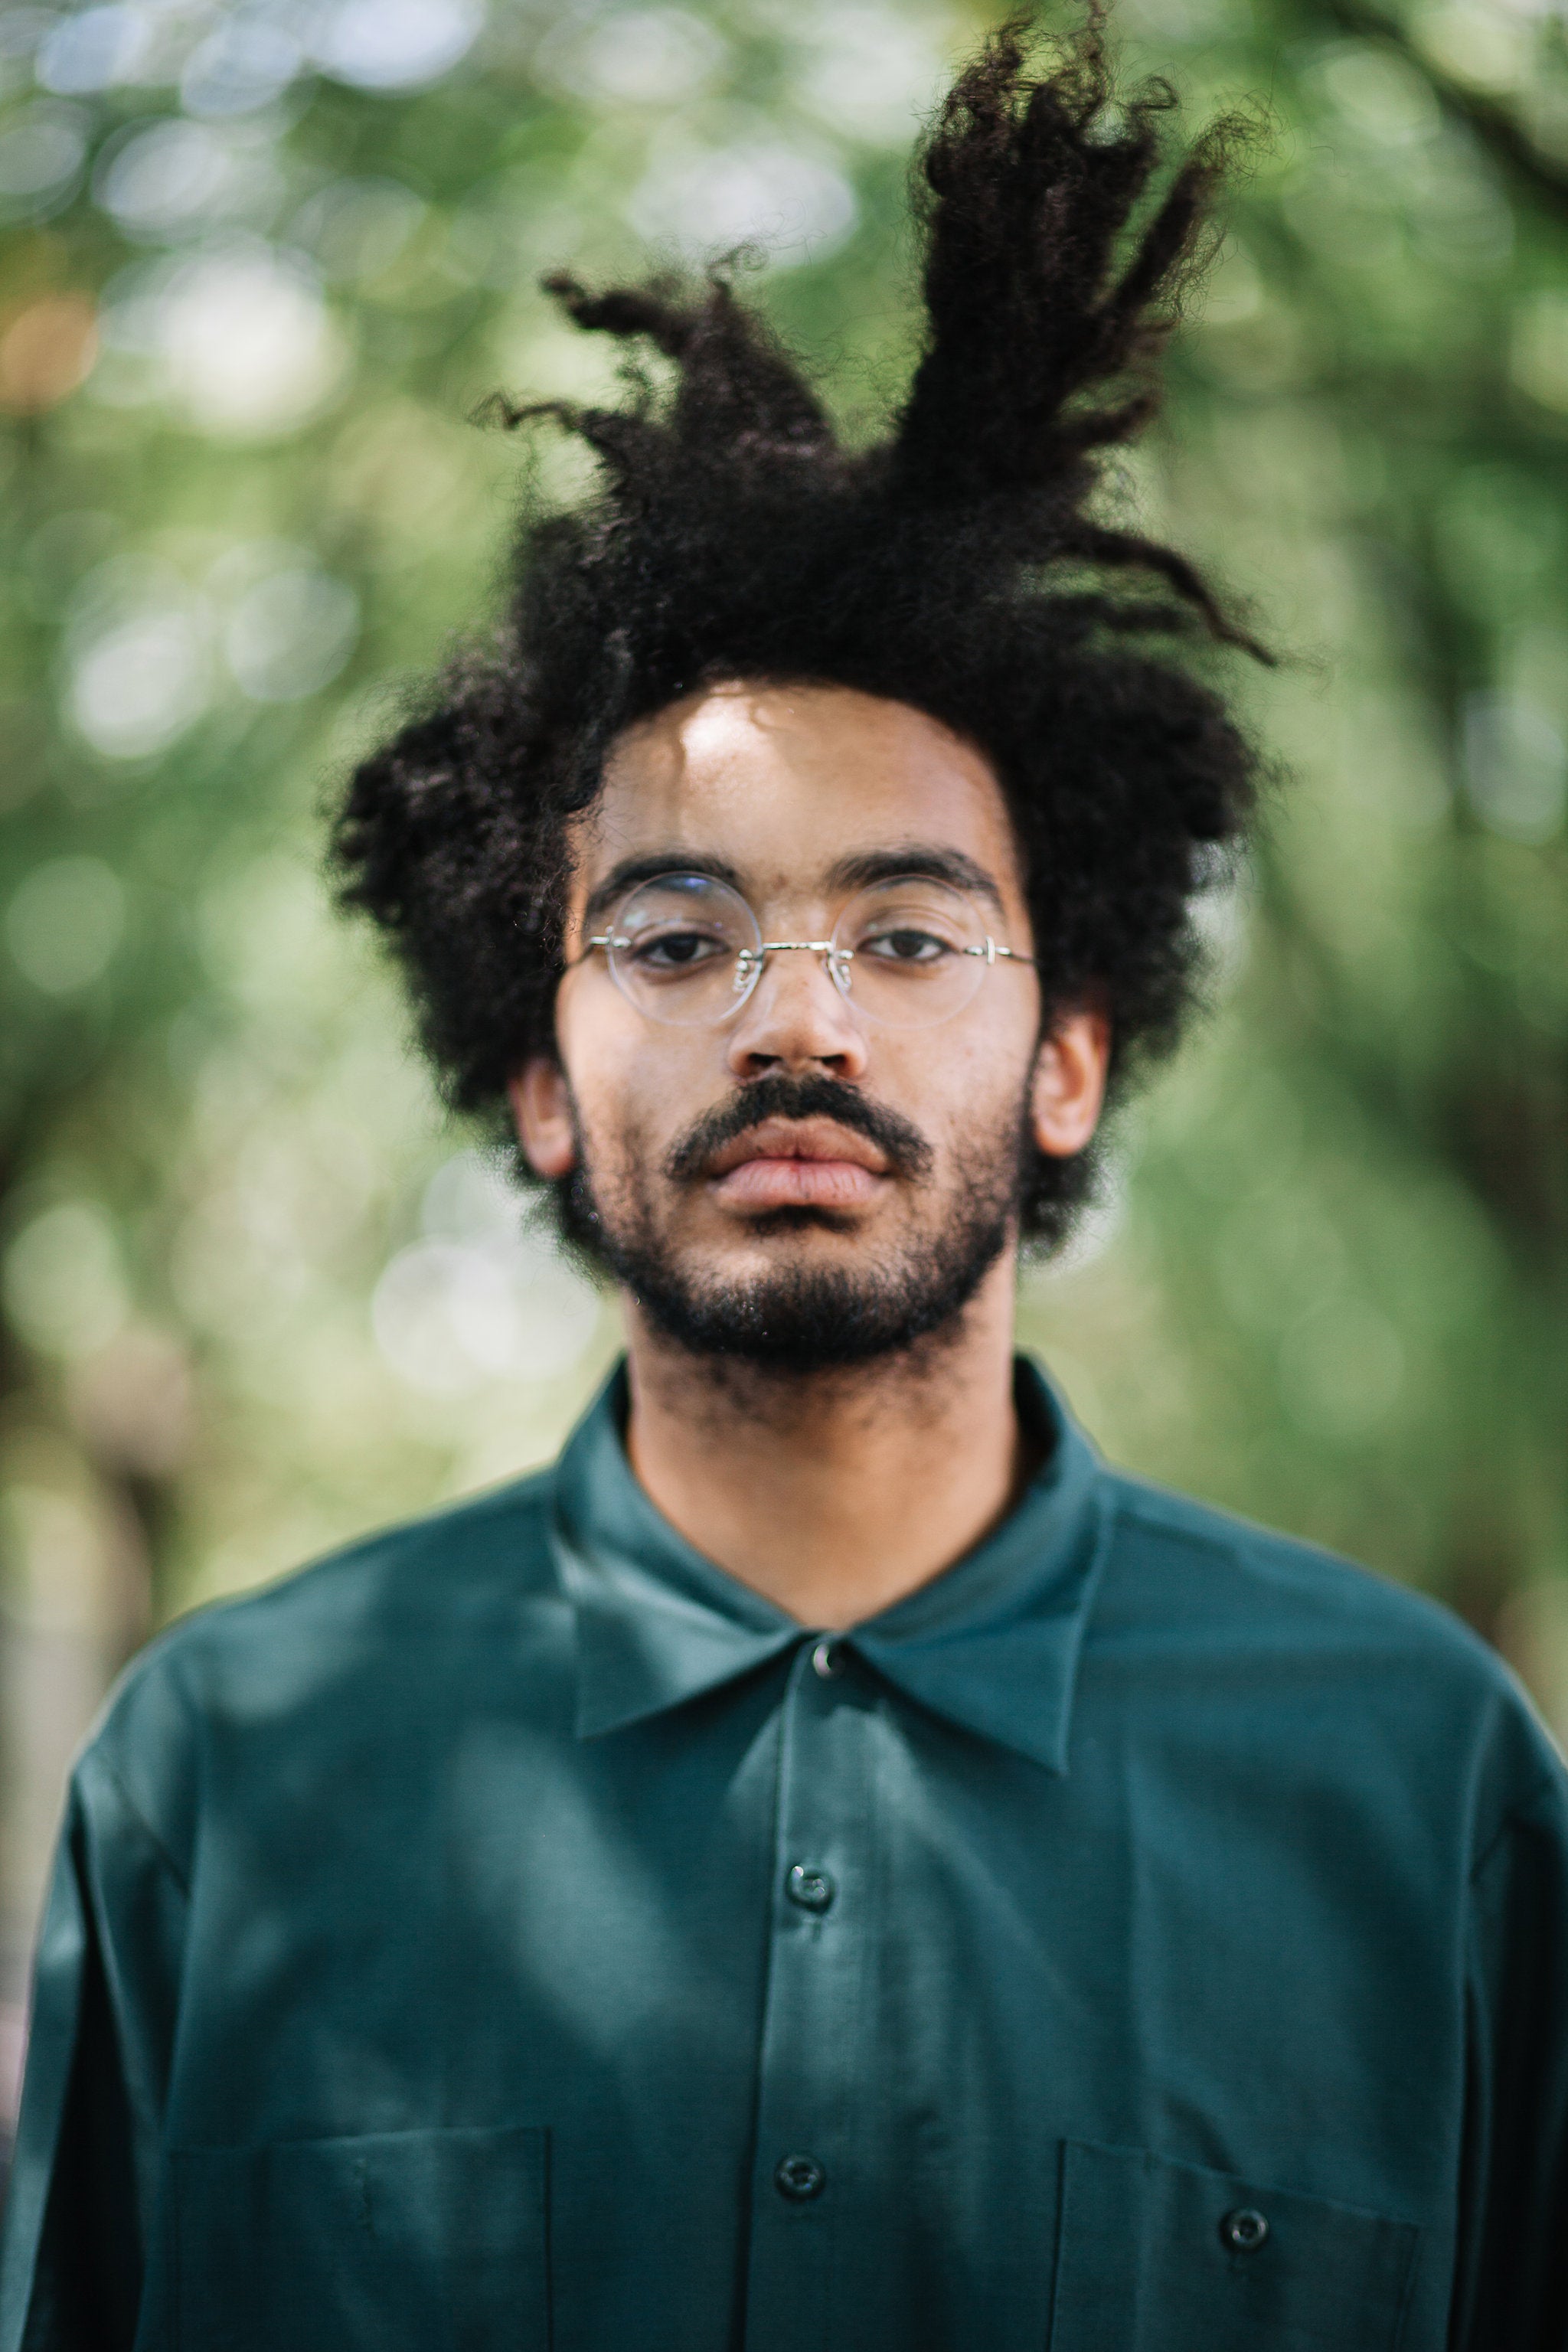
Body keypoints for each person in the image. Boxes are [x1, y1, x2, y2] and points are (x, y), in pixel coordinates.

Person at [3, 18, 1565, 2350]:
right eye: (676, 940)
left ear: (1068, 1057)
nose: (797, 1022)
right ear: (539, 1079)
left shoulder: (1424, 1790)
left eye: (907, 936)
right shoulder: (221, 1781)